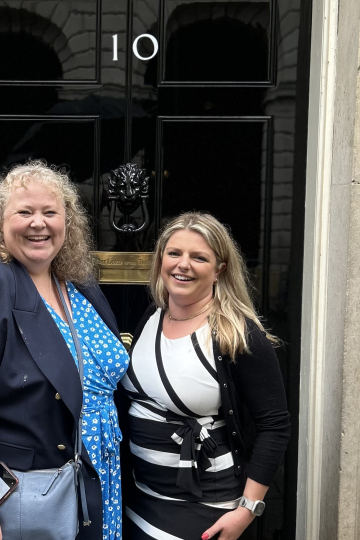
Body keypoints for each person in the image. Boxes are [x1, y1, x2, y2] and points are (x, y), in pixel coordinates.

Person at [0, 161, 130, 540]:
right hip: (14, 498)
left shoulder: (78, 285)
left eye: (51, 212)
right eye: (25, 212)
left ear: (69, 222)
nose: (39, 223)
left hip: (91, 479)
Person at [119, 212, 290, 540]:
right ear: (160, 259)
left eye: (199, 257)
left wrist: (246, 510)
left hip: (205, 507)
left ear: (219, 269)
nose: (183, 264)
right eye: (174, 253)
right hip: (140, 498)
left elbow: (275, 427)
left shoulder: (238, 335)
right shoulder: (151, 317)